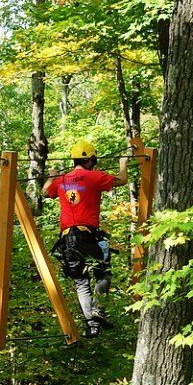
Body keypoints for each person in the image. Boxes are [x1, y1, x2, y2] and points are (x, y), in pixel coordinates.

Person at [43, 139, 128, 339]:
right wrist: (123, 163)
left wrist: (51, 176)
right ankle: (98, 310)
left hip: (67, 239)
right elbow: (122, 179)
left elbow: (45, 192)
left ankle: (92, 325)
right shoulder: (95, 177)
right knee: (103, 273)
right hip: (87, 235)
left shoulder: (62, 180)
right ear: (90, 160)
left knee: (81, 282)